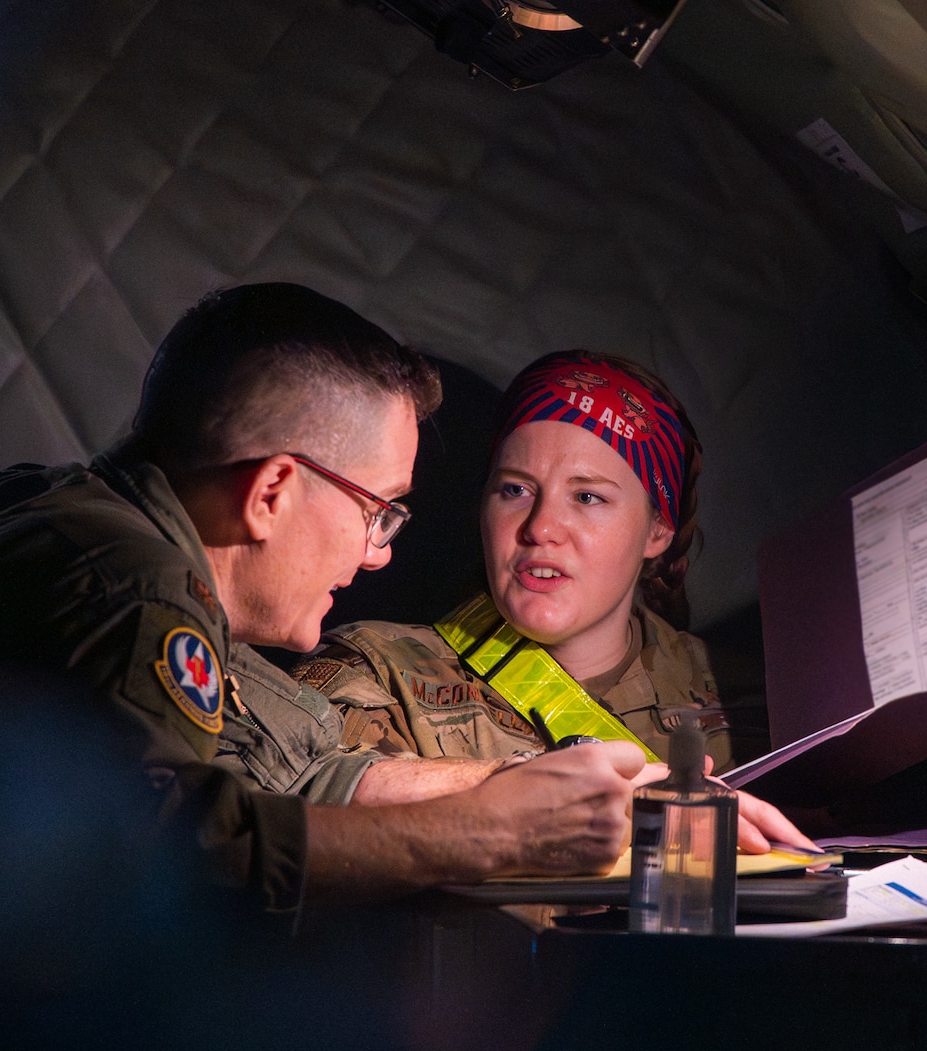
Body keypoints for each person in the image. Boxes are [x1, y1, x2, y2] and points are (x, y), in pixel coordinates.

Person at [0, 285, 648, 913]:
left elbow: (292, 772)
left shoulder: (65, 510)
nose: (377, 556)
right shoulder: (134, 583)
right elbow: (171, 844)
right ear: (271, 491)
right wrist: (482, 837)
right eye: (377, 510)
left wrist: (519, 784)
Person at [275, 349, 809, 852]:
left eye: (588, 497)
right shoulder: (377, 671)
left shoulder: (762, 702)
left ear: (657, 531)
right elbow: (287, 811)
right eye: (515, 490)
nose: (541, 527)